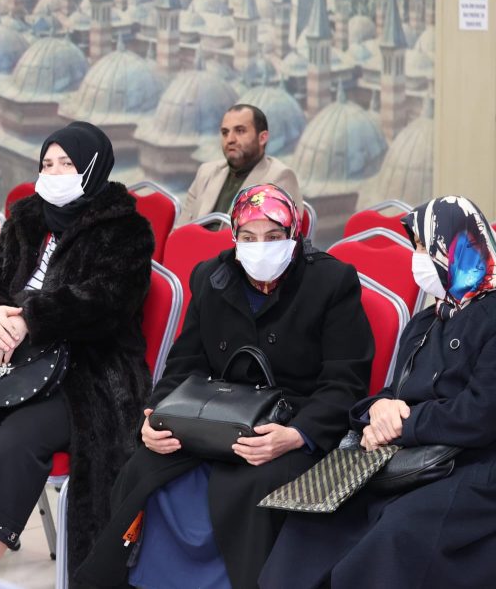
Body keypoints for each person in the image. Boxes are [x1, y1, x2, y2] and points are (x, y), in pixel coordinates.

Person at [78, 184, 373, 589]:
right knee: (144, 469)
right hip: (214, 419)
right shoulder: (212, 277)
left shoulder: (331, 282)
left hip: (288, 426)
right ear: (234, 237)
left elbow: (345, 382)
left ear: (294, 234)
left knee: (250, 487)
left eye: (274, 236)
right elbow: (184, 365)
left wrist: (296, 435)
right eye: (248, 237)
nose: (260, 247)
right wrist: (155, 418)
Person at [0, 122, 155, 579]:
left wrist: (29, 318)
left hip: (89, 374)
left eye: (67, 164)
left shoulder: (126, 229)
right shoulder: (26, 218)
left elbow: (107, 301)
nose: (54, 173)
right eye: (47, 164)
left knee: (15, 441)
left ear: (93, 168)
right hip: (13, 364)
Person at [260, 196, 496, 589]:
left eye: (424, 247)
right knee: (312, 516)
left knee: (394, 531)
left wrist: (402, 424)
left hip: (473, 465)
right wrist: (376, 413)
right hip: (405, 455)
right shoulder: (427, 321)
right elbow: (393, 390)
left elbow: (482, 413)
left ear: (456, 248)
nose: (417, 259)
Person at [178, 105, 303, 224]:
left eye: (240, 131)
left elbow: (278, 236)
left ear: (262, 138)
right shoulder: (206, 172)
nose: (230, 139)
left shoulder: (280, 178)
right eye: (225, 132)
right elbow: (179, 231)